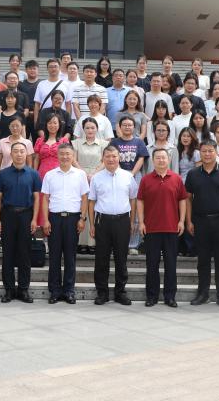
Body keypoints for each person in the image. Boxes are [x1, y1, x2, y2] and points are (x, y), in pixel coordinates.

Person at [184, 140, 219, 307]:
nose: (207, 154)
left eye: (210, 151)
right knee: (203, 261)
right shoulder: (193, 174)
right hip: (200, 221)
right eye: (204, 151)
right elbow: (188, 199)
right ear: (200, 153)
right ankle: (203, 294)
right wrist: (189, 221)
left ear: (216, 153)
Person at [137, 148, 187, 308]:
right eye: (157, 158)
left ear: (168, 159)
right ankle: (152, 296)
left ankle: (170, 296)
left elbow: (182, 200)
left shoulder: (177, 179)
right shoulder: (146, 180)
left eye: (163, 157)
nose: (161, 160)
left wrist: (182, 221)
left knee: (171, 265)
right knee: (152, 265)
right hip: (151, 228)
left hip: (172, 228)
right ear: (153, 160)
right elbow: (140, 201)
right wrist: (141, 222)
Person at [89, 145, 138, 306]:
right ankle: (102, 293)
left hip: (122, 221)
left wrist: (132, 222)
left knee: (121, 258)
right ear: (103, 159)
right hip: (102, 221)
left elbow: (133, 199)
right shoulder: (96, 178)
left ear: (119, 158)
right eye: (108, 156)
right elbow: (91, 202)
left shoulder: (128, 176)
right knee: (101, 259)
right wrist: (92, 224)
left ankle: (120, 293)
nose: (111, 159)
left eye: (114, 156)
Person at [41, 143, 90, 304]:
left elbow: (84, 198)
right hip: (54, 219)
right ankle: (55, 291)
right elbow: (45, 199)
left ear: (73, 155)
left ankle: (69, 291)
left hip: (73, 219)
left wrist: (82, 218)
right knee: (54, 257)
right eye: (62, 154)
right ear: (57, 155)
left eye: (68, 154)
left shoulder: (80, 175)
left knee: (70, 257)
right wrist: (45, 220)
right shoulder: (50, 175)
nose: (65, 157)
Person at [0, 142, 41, 303]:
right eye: (16, 151)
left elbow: (37, 198)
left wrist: (34, 219)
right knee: (7, 254)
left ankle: (23, 289)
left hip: (26, 215)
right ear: (11, 154)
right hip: (8, 215)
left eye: (22, 151)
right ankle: (9, 289)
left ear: (26, 154)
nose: (19, 154)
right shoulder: (3, 174)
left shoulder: (33, 174)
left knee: (24, 254)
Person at [111, 115, 149, 255]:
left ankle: (133, 244)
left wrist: (131, 173)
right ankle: (117, 243)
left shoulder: (139, 142)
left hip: (135, 175)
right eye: (124, 125)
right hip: (117, 173)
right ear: (120, 127)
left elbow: (141, 159)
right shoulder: (114, 142)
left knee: (136, 209)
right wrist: (121, 172)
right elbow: (112, 158)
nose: (127, 127)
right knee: (118, 206)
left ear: (134, 127)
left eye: (130, 125)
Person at [72, 118, 108, 256]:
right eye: (87, 128)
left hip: (98, 176)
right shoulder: (76, 143)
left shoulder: (104, 143)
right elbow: (73, 159)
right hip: (80, 176)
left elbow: (105, 160)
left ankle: (93, 242)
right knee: (82, 207)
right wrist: (83, 173)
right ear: (83, 129)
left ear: (97, 129)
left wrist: (94, 174)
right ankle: (81, 242)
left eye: (92, 128)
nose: (90, 130)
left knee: (94, 207)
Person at [33, 59, 72, 128]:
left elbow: (68, 104)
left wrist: (67, 122)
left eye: (55, 66)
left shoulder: (66, 84)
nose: (53, 69)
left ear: (59, 68)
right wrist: (36, 121)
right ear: (47, 69)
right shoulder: (41, 84)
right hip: (44, 119)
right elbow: (37, 105)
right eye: (51, 67)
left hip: (61, 120)